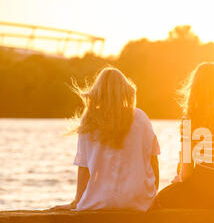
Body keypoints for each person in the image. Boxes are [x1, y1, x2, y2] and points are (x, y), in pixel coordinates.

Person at [50, 67, 160, 211]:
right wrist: (152, 195)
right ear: (126, 91)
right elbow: (153, 160)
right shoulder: (140, 117)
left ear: (97, 92)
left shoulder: (89, 121)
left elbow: (83, 169)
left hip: (100, 201)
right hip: (139, 200)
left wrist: (77, 202)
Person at [155, 62, 214, 209]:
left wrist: (179, 179)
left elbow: (186, 173)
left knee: (160, 200)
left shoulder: (191, 119)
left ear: (195, 89)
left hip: (204, 191)